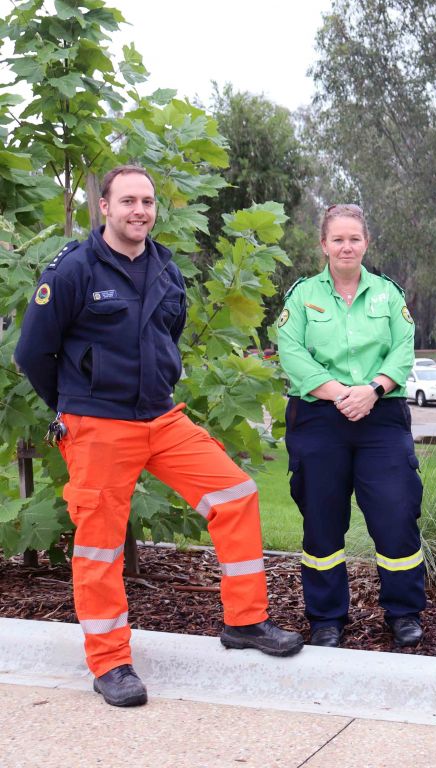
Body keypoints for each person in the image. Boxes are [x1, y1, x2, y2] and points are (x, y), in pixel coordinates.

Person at [14, 164, 303, 708]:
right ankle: (110, 662)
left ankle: (245, 621)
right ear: (105, 207)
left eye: (146, 201)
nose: (139, 210)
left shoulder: (166, 269)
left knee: (236, 493)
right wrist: (72, 408)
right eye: (127, 201)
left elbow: (167, 335)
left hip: (161, 419)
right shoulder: (74, 269)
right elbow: (32, 353)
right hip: (97, 424)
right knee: (100, 545)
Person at [275, 204, 425, 650]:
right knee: (322, 520)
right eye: (337, 239)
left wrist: (372, 390)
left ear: (366, 243)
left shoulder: (388, 295)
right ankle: (326, 617)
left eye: (354, 238)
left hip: (380, 416)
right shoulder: (302, 297)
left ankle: (403, 612)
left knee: (396, 515)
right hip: (320, 417)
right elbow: (292, 353)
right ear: (323, 245)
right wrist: (341, 392)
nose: (346, 246)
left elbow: (403, 350)